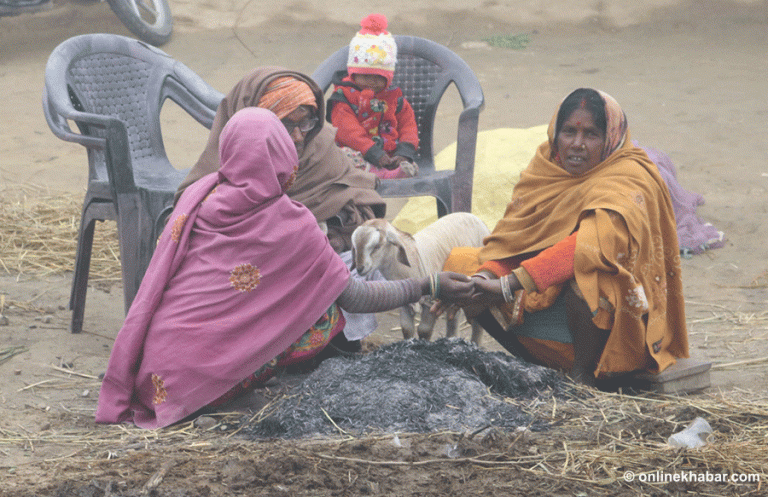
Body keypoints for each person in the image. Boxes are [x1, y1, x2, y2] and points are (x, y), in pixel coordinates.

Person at [96, 108, 473, 429]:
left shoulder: (202, 193)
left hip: (156, 375)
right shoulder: (289, 221)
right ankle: (235, 384)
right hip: (202, 387)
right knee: (326, 311)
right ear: (280, 156)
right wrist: (431, 284)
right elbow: (355, 297)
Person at [440, 88, 689, 387]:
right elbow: (517, 239)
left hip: (620, 325)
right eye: (569, 131)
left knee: (589, 277)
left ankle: (583, 377)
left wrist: (507, 285)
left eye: (591, 134)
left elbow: (586, 248)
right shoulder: (546, 167)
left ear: (611, 138)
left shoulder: (630, 178)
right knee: (463, 267)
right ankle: (539, 362)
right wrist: (485, 278)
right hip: (539, 282)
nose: (577, 144)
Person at [175, 66, 386, 254]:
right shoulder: (224, 169)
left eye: (305, 123)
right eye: (284, 125)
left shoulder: (319, 148)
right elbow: (187, 228)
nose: (298, 137)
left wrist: (336, 238)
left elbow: (360, 202)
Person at [327, 13, 419, 180]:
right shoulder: (344, 97)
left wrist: (404, 152)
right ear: (353, 73)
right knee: (343, 157)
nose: (372, 83)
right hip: (359, 151)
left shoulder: (393, 97)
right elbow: (347, 132)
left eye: (379, 78)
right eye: (366, 76)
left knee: (411, 164)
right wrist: (373, 152)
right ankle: (382, 175)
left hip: (389, 154)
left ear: (388, 78)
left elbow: (408, 124)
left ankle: (394, 170)